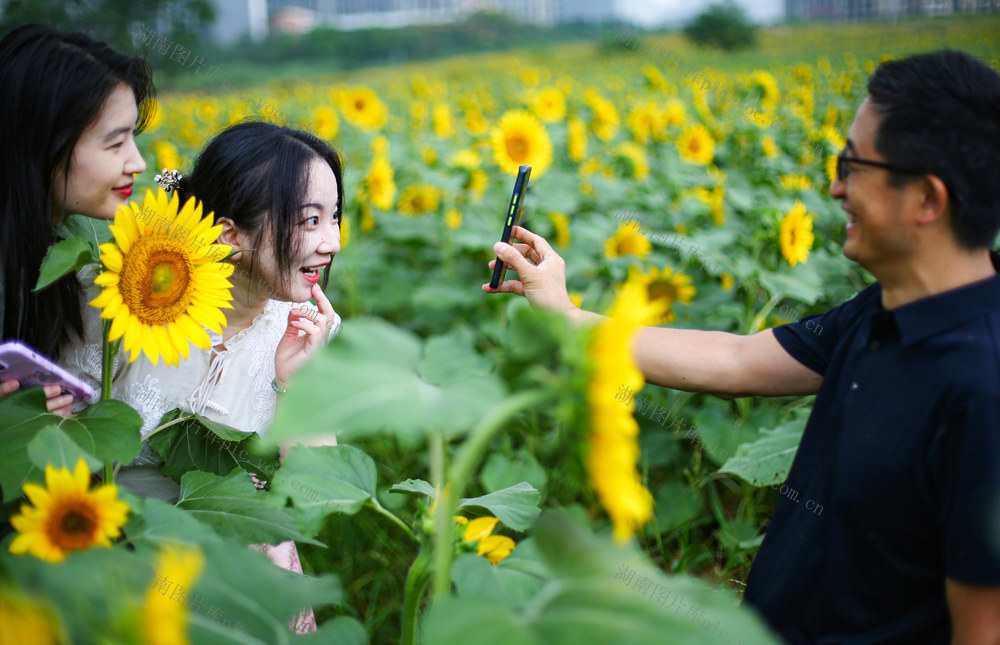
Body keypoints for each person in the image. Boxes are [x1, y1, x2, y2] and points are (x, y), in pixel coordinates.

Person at [484, 50, 1000, 644]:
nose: (834, 187)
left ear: (928, 200)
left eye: (851, 165)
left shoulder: (983, 389)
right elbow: (736, 359)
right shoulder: (884, 310)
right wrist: (567, 315)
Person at [0, 23, 154, 416]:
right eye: (116, 143)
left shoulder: (47, 244)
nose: (137, 163)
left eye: (133, 138)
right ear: (44, 145)